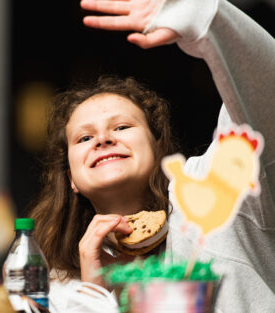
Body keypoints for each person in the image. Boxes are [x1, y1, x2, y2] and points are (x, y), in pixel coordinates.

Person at [28, 0, 275, 312]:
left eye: (121, 126)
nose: (103, 139)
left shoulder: (212, 195)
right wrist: (94, 294)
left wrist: (207, 17)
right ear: (71, 179)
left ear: (158, 148)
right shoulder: (61, 286)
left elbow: (265, 108)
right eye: (85, 137)